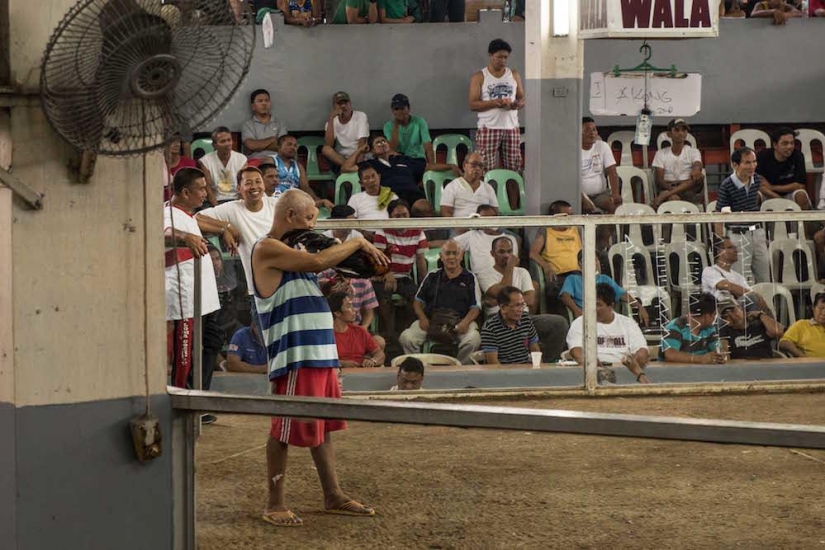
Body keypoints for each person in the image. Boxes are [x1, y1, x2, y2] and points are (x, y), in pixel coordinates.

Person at [251, 189, 387, 527]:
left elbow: (308, 278)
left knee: (323, 425)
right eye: (310, 216)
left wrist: (331, 287)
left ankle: (333, 494)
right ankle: (274, 502)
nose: (314, 225)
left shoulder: (292, 254)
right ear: (291, 216)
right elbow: (316, 261)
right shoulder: (267, 248)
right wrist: (356, 243)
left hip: (321, 352)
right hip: (296, 355)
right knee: (283, 427)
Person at [164, 168, 221, 389]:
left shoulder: (186, 214)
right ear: (186, 193)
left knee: (212, 342)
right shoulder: (168, 213)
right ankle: (181, 406)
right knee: (185, 356)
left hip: (204, 301)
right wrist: (185, 237)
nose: (206, 193)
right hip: (186, 301)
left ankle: (200, 399)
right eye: (201, 188)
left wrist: (224, 229)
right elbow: (165, 235)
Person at [196, 167, 278, 315]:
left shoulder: (275, 204)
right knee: (264, 337)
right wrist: (225, 228)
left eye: (258, 182)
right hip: (258, 291)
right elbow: (197, 218)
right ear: (239, 188)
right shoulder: (233, 209)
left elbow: (309, 208)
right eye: (248, 183)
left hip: (283, 285)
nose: (254, 187)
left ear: (264, 186)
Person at [399, 240, 482, 364]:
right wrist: (422, 318)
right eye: (448, 253)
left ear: (461, 256)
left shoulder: (470, 277)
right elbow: (417, 302)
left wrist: (465, 323)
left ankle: (461, 370)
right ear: (441, 257)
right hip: (432, 320)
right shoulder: (432, 276)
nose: (452, 257)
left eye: (455, 253)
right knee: (406, 338)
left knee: (473, 340)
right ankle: (420, 368)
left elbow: (475, 307)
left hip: (459, 322)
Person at [566, 283, 651, 384]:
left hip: (626, 373)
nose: (594, 308)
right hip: (592, 374)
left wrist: (632, 365)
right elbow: (576, 351)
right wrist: (590, 361)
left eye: (598, 305)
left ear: (611, 306)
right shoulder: (580, 323)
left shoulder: (628, 323)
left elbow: (642, 351)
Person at [372, 199, 429, 336]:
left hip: (404, 276)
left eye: (405, 215)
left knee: (416, 298)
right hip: (383, 275)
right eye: (398, 216)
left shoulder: (418, 231)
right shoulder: (382, 229)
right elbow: (378, 257)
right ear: (390, 217)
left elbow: (421, 260)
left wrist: (425, 282)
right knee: (384, 298)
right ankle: (389, 333)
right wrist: (388, 274)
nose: (402, 218)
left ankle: (406, 331)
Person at [714, 147, 770, 284]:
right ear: (735, 165)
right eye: (747, 163)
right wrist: (722, 242)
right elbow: (718, 215)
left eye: (754, 162)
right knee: (740, 279)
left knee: (765, 277)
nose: (752, 166)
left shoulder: (756, 180)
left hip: (757, 233)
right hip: (737, 236)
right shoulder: (726, 185)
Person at [468, 38, 525, 172]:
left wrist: (516, 105)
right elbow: (472, 104)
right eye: (499, 57)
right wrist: (494, 103)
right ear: (490, 55)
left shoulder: (514, 74)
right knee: (485, 169)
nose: (503, 61)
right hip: (488, 128)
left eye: (506, 58)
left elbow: (522, 98)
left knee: (513, 170)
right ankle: (488, 193)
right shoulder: (479, 76)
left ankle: (513, 193)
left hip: (511, 127)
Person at [343, 134, 432, 217]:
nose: (382, 144)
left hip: (413, 193)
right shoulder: (371, 165)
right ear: (372, 150)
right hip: (391, 196)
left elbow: (427, 167)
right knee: (397, 212)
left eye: (383, 141)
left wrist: (446, 166)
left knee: (424, 207)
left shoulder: (402, 158)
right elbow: (346, 168)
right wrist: (360, 150)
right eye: (378, 143)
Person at [560, 250, 649, 326]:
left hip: (607, 317)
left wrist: (639, 306)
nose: (594, 262)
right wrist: (576, 310)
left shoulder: (604, 279)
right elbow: (565, 296)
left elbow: (622, 294)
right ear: (580, 264)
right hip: (587, 318)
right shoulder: (572, 279)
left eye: (595, 259)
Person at [383, 94, 459, 174]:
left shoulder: (419, 122)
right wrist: (396, 127)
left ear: (408, 109)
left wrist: (432, 165)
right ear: (392, 111)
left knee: (409, 171)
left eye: (402, 108)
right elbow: (392, 149)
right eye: (396, 109)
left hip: (417, 160)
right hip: (400, 161)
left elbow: (427, 146)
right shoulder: (388, 126)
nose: (400, 112)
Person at [529, 200, 581, 316]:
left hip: (579, 275)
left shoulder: (578, 230)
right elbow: (533, 253)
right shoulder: (546, 231)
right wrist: (546, 266)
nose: (570, 219)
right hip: (558, 277)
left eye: (571, 215)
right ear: (555, 216)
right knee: (562, 293)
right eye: (566, 216)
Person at [701, 237, 771, 314]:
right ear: (719, 252)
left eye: (735, 247)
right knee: (753, 298)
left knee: (759, 306)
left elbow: (749, 295)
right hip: (720, 312)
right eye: (730, 247)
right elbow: (724, 285)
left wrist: (756, 297)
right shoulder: (709, 270)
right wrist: (755, 295)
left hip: (739, 311)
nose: (736, 250)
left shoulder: (739, 277)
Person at [651, 118, 705, 208]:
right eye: (677, 130)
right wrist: (673, 191)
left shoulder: (693, 151)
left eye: (684, 130)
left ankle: (666, 195)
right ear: (669, 134)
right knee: (673, 198)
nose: (681, 133)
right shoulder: (661, 153)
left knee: (699, 176)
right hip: (668, 187)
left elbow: (697, 164)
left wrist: (696, 169)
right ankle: (669, 195)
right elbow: (659, 180)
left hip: (689, 190)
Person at [270, 134, 334, 209]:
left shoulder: (298, 166)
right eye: (289, 144)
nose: (292, 148)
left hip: (293, 201)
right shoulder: (271, 161)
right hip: (274, 200)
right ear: (279, 147)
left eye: (295, 145)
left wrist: (317, 200)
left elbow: (306, 188)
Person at [659, 293, 726, 364]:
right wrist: (700, 359)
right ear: (706, 316)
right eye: (715, 314)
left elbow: (718, 349)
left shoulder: (709, 328)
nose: (716, 318)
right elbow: (670, 355)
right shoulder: (675, 327)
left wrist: (721, 356)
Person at [480, 287, 540, 365]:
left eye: (522, 305)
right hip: (503, 373)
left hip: (525, 370)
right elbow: (493, 363)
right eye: (517, 305)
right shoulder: (490, 328)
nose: (521, 309)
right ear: (503, 308)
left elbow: (535, 349)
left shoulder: (526, 319)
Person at [756, 127, 812, 210]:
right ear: (775, 145)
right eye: (785, 143)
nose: (789, 147)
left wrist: (772, 187)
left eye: (792, 143)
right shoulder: (762, 156)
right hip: (768, 194)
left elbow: (800, 185)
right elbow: (759, 185)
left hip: (789, 194)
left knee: (801, 195)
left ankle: (805, 222)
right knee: (754, 196)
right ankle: (754, 222)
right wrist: (779, 198)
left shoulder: (798, 156)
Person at [476, 236, 534, 316]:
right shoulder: (484, 274)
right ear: (492, 253)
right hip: (498, 317)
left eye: (509, 251)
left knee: (555, 322)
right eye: (501, 252)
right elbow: (504, 294)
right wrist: (510, 267)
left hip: (523, 316)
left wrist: (499, 301)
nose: (507, 255)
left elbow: (530, 299)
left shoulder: (522, 272)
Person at [453, 204, 517, 274]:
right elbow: (449, 244)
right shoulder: (472, 235)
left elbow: (515, 264)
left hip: (505, 276)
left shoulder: (510, 239)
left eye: (492, 217)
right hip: (481, 278)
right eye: (485, 218)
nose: (489, 222)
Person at [329, 292, 386, 368]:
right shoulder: (327, 335)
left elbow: (380, 354)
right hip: (337, 375)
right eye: (348, 306)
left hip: (361, 374)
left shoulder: (360, 331)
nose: (354, 310)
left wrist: (373, 361)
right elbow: (321, 361)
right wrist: (342, 364)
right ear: (337, 313)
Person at [717, 299, 784, 360]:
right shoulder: (725, 331)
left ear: (741, 309)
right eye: (726, 316)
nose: (732, 316)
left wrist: (760, 315)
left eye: (733, 311)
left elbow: (778, 332)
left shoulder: (759, 324)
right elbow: (724, 352)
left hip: (766, 366)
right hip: (742, 369)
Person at [198, 126, 248, 205]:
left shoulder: (241, 159)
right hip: (215, 201)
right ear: (214, 145)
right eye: (223, 141)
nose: (227, 144)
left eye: (229, 140)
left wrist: (237, 206)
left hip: (236, 200)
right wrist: (217, 208)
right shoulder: (205, 161)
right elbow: (208, 187)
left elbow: (244, 186)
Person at [580, 117, 621, 214]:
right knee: (589, 210)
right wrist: (583, 199)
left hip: (601, 194)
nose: (592, 133)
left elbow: (612, 172)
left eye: (594, 129)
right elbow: (571, 180)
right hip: (581, 195)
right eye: (587, 130)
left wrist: (615, 194)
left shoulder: (602, 146)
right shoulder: (573, 150)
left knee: (614, 206)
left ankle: (611, 230)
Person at [440, 152, 499, 219]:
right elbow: (445, 212)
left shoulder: (488, 188)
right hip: (461, 227)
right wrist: (457, 228)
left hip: (485, 226)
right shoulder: (452, 187)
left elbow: (495, 212)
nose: (477, 169)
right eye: (474, 165)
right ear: (464, 166)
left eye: (481, 166)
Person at [322, 91, 370, 172]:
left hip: (358, 155)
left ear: (350, 104)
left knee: (362, 150)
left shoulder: (360, 116)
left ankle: (350, 168)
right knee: (325, 149)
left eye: (346, 103)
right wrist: (331, 118)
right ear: (334, 106)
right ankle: (349, 167)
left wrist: (357, 162)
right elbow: (329, 144)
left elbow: (362, 144)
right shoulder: (331, 122)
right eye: (339, 104)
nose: (343, 106)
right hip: (341, 159)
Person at [242, 89, 288, 160]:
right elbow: (251, 145)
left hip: (277, 161)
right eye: (260, 101)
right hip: (256, 162)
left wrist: (258, 146)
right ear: (253, 106)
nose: (264, 103)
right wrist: (273, 139)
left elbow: (284, 147)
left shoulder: (280, 124)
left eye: (267, 100)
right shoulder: (247, 125)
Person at [778, 292, 825, 358]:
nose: (824, 313)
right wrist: (800, 355)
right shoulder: (802, 325)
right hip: (811, 366)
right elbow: (783, 342)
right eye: (820, 308)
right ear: (813, 308)